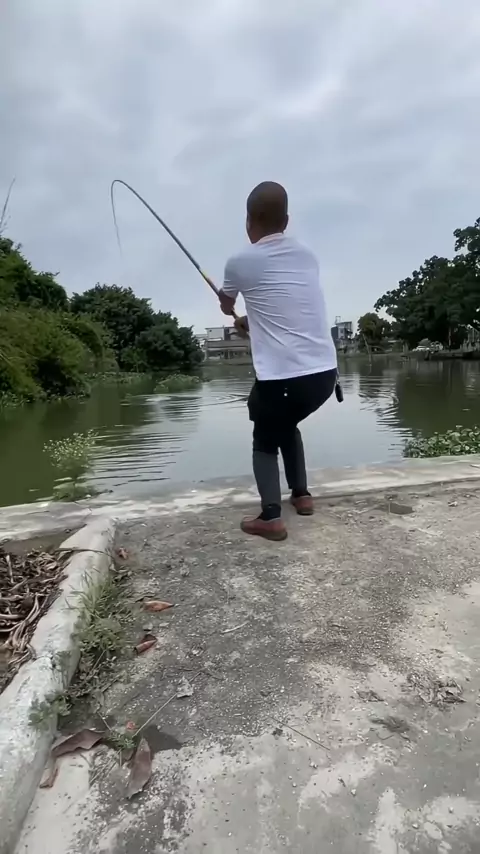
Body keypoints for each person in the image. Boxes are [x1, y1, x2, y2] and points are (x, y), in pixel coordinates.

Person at [219, 181, 337, 541]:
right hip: (325, 376)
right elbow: (286, 307)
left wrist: (229, 307)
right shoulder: (307, 256)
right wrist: (250, 322)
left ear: (248, 221)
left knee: (264, 438)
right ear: (285, 221)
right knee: (286, 423)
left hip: (283, 380)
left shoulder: (240, 262)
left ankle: (271, 517)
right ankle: (301, 495)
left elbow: (226, 303)